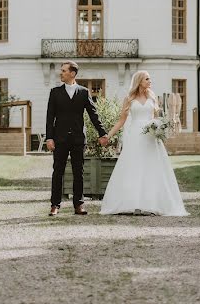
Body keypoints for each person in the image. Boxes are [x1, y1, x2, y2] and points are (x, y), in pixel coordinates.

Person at [100, 71, 188, 216]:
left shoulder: (152, 97)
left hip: (150, 137)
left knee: (152, 168)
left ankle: (151, 203)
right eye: (147, 79)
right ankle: (132, 203)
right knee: (134, 168)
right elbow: (122, 121)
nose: (150, 81)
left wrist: (158, 128)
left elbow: (155, 118)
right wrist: (108, 136)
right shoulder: (129, 98)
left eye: (150, 79)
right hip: (135, 136)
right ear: (139, 81)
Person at [46, 61, 108, 216]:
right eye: (61, 70)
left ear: (72, 73)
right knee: (57, 172)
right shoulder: (55, 92)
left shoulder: (83, 92)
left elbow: (93, 114)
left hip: (78, 139)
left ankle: (79, 205)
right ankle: (55, 205)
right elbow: (49, 117)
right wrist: (49, 138)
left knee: (78, 172)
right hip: (59, 139)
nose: (61, 73)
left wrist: (102, 133)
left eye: (64, 71)